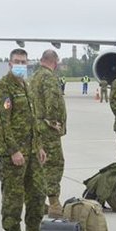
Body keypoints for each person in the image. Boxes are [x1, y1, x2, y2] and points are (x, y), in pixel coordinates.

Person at [0, 49, 47, 231]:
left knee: (38, 192)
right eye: (17, 61)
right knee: (13, 196)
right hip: (14, 153)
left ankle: (33, 230)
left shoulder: (26, 85)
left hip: (31, 151)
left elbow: (32, 120)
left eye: (24, 61)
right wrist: (13, 150)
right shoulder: (3, 87)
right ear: (9, 63)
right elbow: (2, 123)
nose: (20, 65)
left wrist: (39, 146)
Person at [30, 50, 67, 218]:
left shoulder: (35, 77)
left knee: (40, 165)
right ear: (55, 62)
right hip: (48, 129)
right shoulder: (49, 77)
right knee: (54, 164)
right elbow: (52, 100)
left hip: (37, 126)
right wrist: (53, 121)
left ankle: (37, 201)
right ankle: (54, 203)